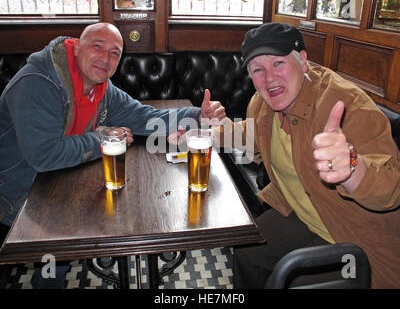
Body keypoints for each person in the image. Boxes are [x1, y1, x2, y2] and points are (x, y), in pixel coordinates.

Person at [213, 22, 400, 288]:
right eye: (258, 69)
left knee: (287, 282)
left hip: (361, 238)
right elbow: (253, 136)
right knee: (247, 252)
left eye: (278, 63)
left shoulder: (345, 104)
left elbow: (393, 188)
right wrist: (215, 131)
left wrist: (354, 168)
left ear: (302, 60)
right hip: (307, 215)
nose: (269, 78)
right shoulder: (263, 102)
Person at [0, 22, 226, 230]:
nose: (105, 59)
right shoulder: (38, 83)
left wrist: (197, 115)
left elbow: (143, 116)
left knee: (121, 212)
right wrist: (104, 139)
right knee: (64, 246)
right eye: (97, 47)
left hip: (59, 181)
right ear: (77, 47)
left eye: (114, 53)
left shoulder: (101, 87)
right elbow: (44, 155)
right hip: (19, 198)